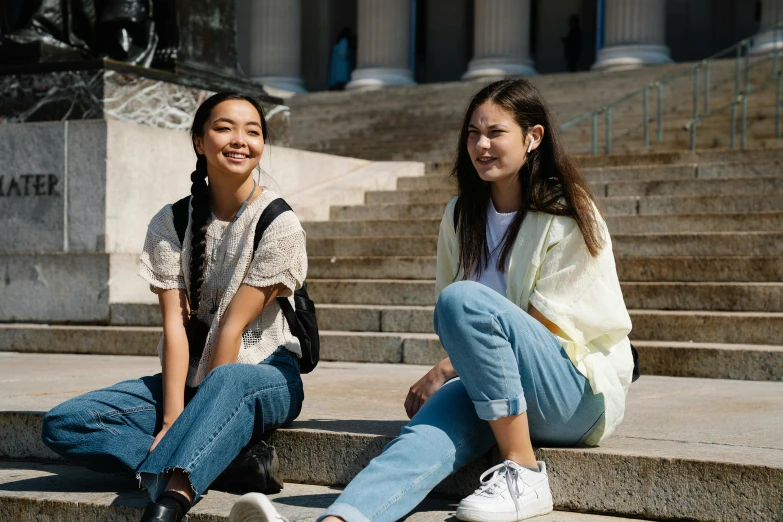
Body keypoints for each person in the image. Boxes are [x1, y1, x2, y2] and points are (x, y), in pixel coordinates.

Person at [229, 78, 633, 522]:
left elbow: (544, 325)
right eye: (473, 133)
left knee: (462, 303)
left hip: (572, 396)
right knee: (419, 440)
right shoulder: (461, 216)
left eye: (496, 133)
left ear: (533, 137)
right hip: (501, 392)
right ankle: (340, 519)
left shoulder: (567, 211)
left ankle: (524, 471)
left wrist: (446, 368)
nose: (481, 145)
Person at [40, 92, 308, 522]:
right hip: (190, 374)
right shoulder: (171, 222)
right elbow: (175, 329)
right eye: (224, 127)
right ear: (199, 142)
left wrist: (188, 418)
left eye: (253, 131)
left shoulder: (279, 223)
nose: (240, 139)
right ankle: (228, 462)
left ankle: (170, 498)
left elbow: (230, 331)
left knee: (229, 383)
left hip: (265, 375)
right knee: (66, 422)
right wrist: (172, 419)